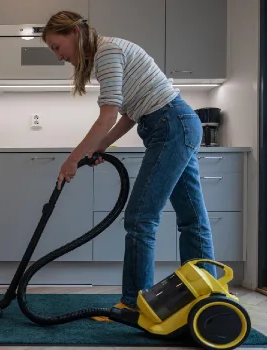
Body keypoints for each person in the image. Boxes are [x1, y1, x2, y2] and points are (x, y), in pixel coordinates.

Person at [41, 10, 216, 321]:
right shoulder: (105, 54)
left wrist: (73, 159)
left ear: (74, 33)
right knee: (191, 217)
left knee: (140, 218)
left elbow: (107, 115)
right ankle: (208, 294)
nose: (58, 56)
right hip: (174, 124)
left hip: (171, 126)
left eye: (57, 46)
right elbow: (131, 113)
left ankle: (134, 305)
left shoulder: (108, 52)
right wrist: (103, 145)